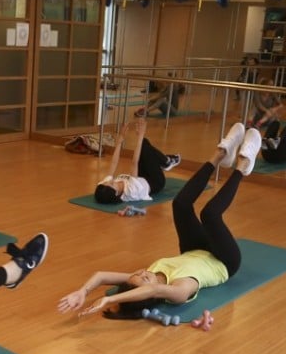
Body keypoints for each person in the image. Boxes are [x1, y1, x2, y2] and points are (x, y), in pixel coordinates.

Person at [59, 122, 261, 319]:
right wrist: (110, 301)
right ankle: (243, 166)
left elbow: (102, 275)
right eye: (143, 278)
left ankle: (220, 155)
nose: (142, 272)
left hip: (195, 249)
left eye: (137, 274)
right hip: (225, 261)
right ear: (150, 294)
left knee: (180, 204)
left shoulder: (146, 276)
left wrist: (83, 292)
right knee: (210, 215)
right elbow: (151, 291)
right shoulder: (178, 291)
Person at [93, 118, 179, 205]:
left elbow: (113, 163)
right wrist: (140, 135)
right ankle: (166, 162)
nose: (110, 181)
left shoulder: (105, 186)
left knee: (144, 143)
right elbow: (134, 163)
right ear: (116, 193)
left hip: (141, 177)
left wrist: (120, 139)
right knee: (143, 145)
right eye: (111, 184)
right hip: (155, 181)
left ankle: (165, 161)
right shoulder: (131, 191)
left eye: (107, 182)